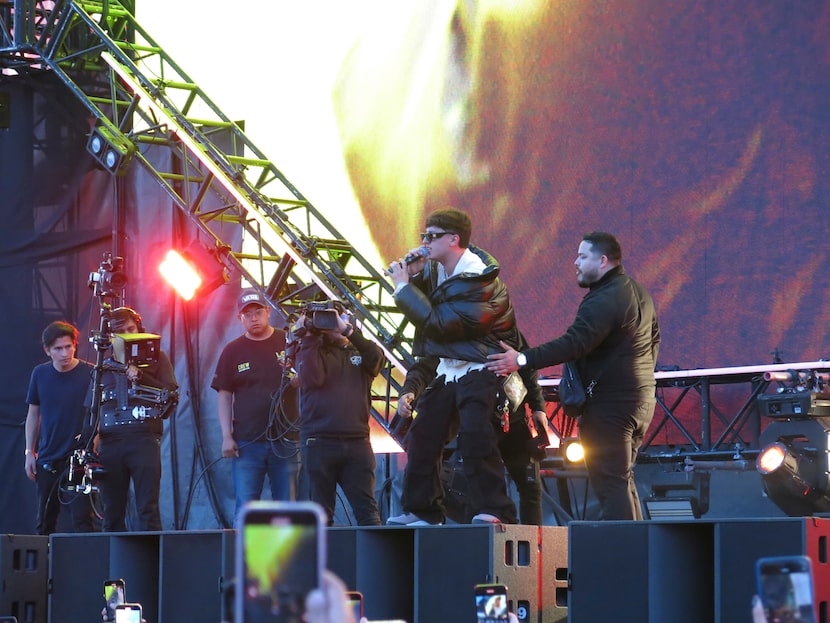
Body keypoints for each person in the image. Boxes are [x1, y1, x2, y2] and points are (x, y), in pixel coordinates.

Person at [487, 231, 660, 520]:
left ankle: (624, 559)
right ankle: (637, 556)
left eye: (582, 256)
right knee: (620, 482)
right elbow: (654, 342)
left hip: (610, 408)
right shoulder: (637, 292)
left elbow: (573, 343)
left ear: (603, 261)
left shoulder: (604, 299)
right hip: (639, 401)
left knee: (612, 486)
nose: (575, 262)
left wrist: (520, 358)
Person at [385, 208, 520, 526]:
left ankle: (496, 510)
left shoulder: (480, 280)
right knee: (422, 436)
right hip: (450, 368)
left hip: (482, 365)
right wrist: (415, 276)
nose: (424, 242)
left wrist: (405, 288)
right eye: (423, 236)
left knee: (476, 435)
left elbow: (441, 325)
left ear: (453, 239)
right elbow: (432, 322)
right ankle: (423, 511)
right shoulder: (436, 271)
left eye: (431, 236)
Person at [396, 346, 548, 525]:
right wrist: (409, 390)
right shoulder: (441, 333)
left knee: (529, 486)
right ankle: (485, 532)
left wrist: (538, 407)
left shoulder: (495, 327)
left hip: (512, 418)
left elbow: (525, 363)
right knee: (474, 480)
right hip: (476, 420)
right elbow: (424, 366)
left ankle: (535, 544)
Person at [212, 289, 299, 522]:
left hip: (286, 439)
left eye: (258, 312)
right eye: (247, 314)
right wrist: (226, 436)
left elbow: (310, 380)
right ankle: (244, 558)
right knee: (246, 507)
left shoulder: (288, 342)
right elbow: (224, 394)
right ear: (240, 318)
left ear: (268, 312)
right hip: (247, 442)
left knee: (288, 506)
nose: (253, 318)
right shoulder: (233, 350)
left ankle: (287, 558)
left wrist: (296, 376)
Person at [293, 305, 384, 526]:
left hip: (357, 443)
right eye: (325, 318)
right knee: (320, 516)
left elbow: (378, 358)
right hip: (319, 441)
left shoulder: (360, 353)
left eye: (335, 317)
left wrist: (348, 331)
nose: (330, 323)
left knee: (367, 511)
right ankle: (322, 561)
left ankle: (375, 560)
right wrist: (308, 335)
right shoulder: (310, 349)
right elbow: (313, 379)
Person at [96, 306, 178, 531]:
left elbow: (170, 393)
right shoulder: (103, 363)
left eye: (131, 328)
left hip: (144, 438)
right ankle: (114, 564)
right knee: (111, 512)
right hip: (110, 442)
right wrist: (90, 441)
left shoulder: (157, 357)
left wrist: (141, 376)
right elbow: (92, 407)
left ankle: (151, 563)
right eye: (121, 331)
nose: (128, 335)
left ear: (139, 327)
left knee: (147, 508)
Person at [24, 320, 95, 535]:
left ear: (75, 345)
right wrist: (29, 452)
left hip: (79, 459)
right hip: (47, 458)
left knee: (83, 520)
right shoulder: (40, 374)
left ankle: (87, 565)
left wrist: (93, 448)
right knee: (45, 521)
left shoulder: (90, 373)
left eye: (68, 347)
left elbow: (97, 415)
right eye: (58, 348)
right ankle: (43, 567)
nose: (65, 353)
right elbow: (33, 413)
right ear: (47, 351)